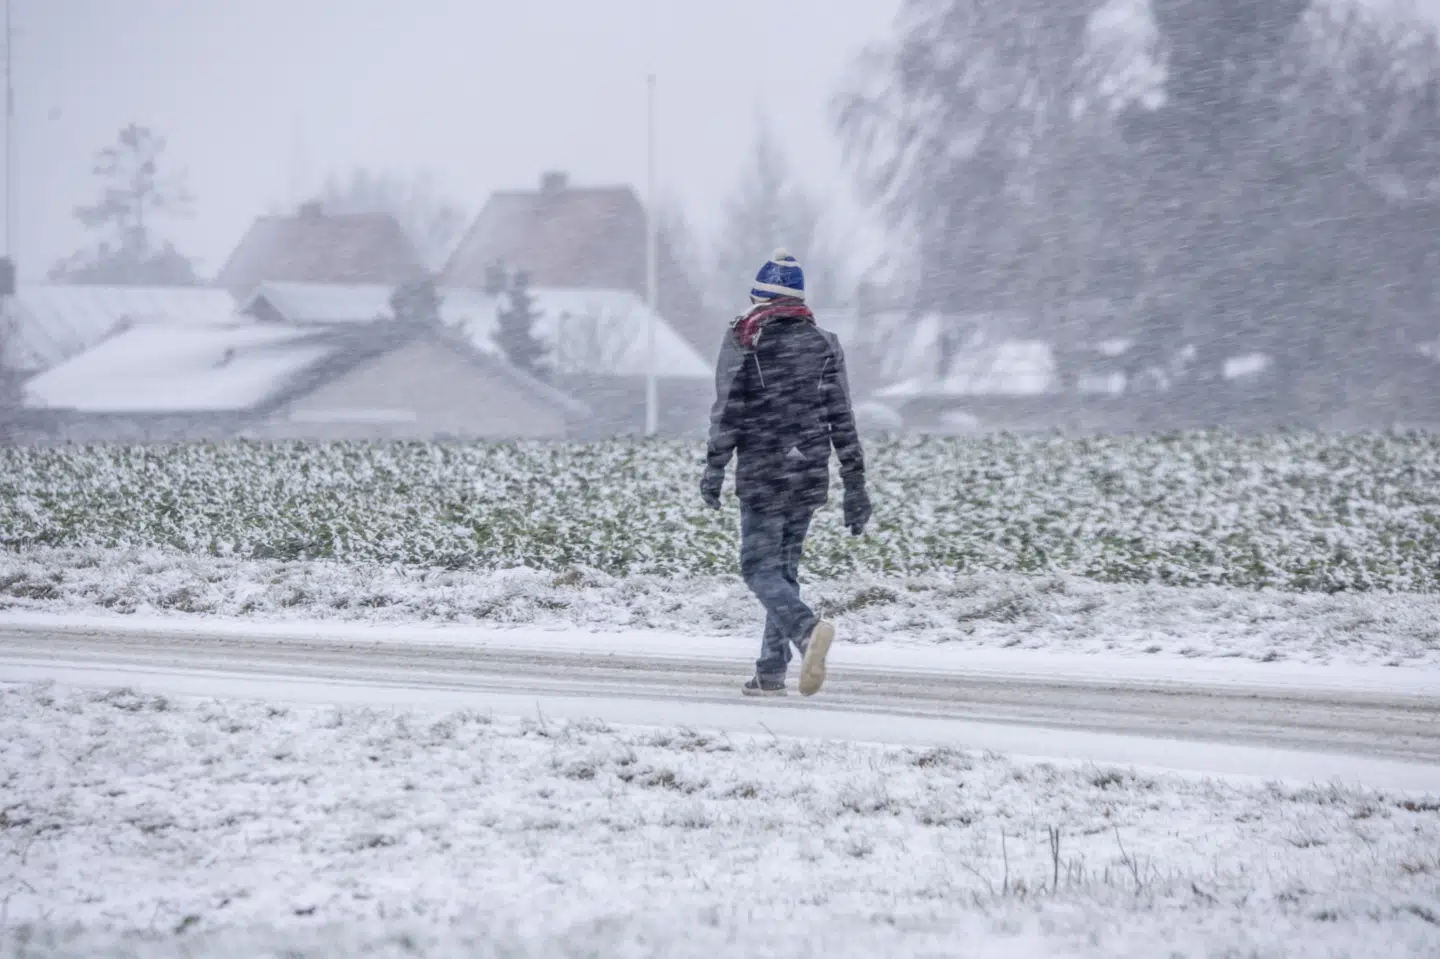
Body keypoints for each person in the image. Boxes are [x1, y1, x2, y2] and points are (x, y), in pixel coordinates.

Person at [701, 249, 871, 698]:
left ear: (759, 298)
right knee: (785, 570)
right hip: (809, 473)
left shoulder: (745, 338)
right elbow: (842, 415)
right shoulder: (824, 343)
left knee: (758, 568)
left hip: (763, 472)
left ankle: (806, 629)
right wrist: (855, 484)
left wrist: (715, 466)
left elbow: (729, 409)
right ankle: (770, 671)